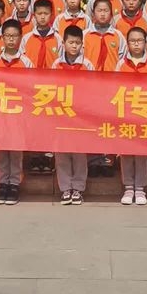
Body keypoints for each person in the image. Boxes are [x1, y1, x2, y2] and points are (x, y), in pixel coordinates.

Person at [0, 19, 33, 204]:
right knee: (1, 149)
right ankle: (2, 183)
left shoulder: (26, 62)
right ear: (2, 38)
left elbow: (31, 87)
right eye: (8, 36)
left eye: (15, 36)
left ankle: (14, 183)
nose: (11, 40)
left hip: (18, 112)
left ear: (20, 38)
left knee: (15, 149)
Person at [115, 28, 147, 205]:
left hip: (144, 114)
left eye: (139, 40)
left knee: (141, 152)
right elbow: (115, 86)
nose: (136, 44)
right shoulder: (121, 64)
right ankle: (128, 187)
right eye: (132, 41)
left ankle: (140, 188)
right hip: (126, 113)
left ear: (145, 43)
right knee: (126, 151)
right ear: (127, 43)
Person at [52, 26, 93, 203]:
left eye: (77, 43)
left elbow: (94, 88)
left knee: (79, 153)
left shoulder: (87, 65)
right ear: (63, 43)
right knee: (61, 152)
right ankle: (65, 188)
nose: (74, 46)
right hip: (61, 114)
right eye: (71, 42)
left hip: (80, 115)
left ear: (82, 44)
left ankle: (78, 188)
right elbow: (50, 87)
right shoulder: (56, 64)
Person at [82, 0, 123, 70]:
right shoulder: (85, 35)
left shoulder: (118, 35)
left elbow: (122, 59)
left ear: (111, 13)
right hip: (89, 75)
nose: (103, 14)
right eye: (99, 10)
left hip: (112, 75)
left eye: (106, 11)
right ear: (93, 13)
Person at [23, 0, 61, 68]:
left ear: (51, 15)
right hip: (31, 74)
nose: (43, 17)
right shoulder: (26, 38)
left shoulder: (58, 39)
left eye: (46, 14)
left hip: (52, 74)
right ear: (34, 15)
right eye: (39, 14)